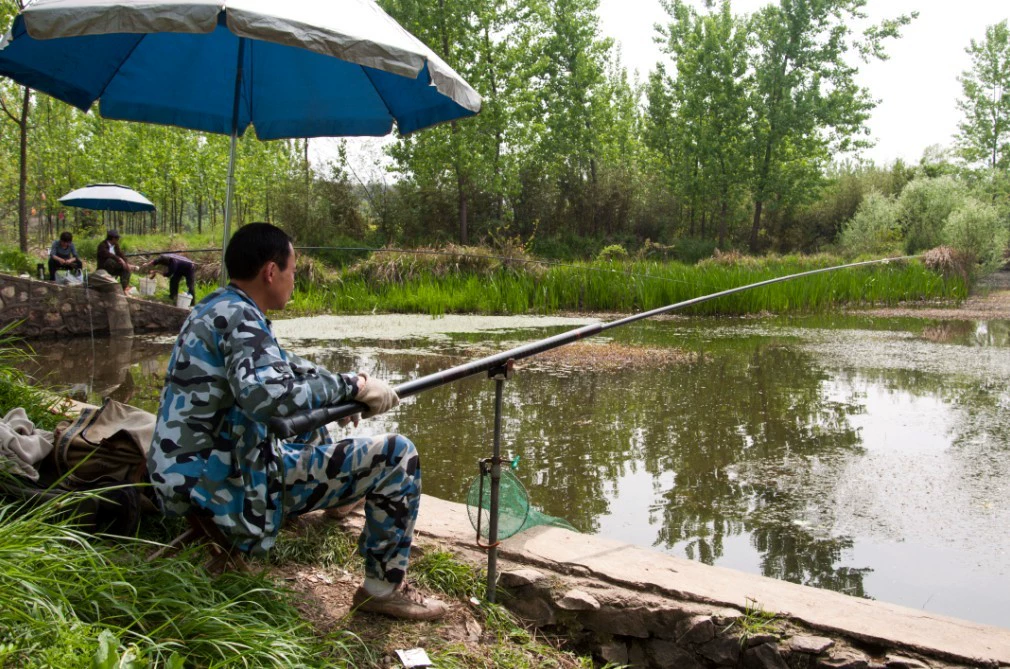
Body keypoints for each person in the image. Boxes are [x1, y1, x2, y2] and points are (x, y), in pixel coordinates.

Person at [147, 222, 446, 621]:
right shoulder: (242, 319)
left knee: (312, 425)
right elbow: (269, 396)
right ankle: (383, 588)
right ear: (271, 271)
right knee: (397, 455)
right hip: (220, 487)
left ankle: (341, 498)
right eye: (292, 270)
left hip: (186, 471)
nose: (293, 281)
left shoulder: (218, 307)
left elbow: (286, 368)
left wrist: (352, 388)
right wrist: (348, 386)